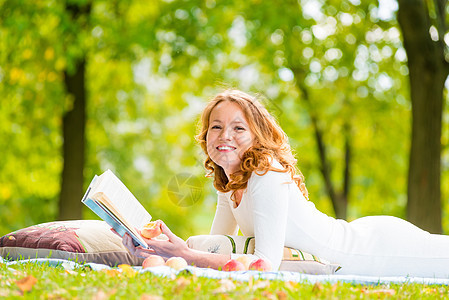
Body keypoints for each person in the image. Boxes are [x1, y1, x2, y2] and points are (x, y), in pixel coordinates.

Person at [122, 89, 449, 277]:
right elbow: (220, 245)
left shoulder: (265, 173)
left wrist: (187, 255)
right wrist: (169, 247)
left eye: (238, 128)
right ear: (205, 136)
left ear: (256, 136)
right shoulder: (228, 179)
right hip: (361, 234)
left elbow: (265, 264)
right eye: (216, 127)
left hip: (371, 251)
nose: (224, 136)